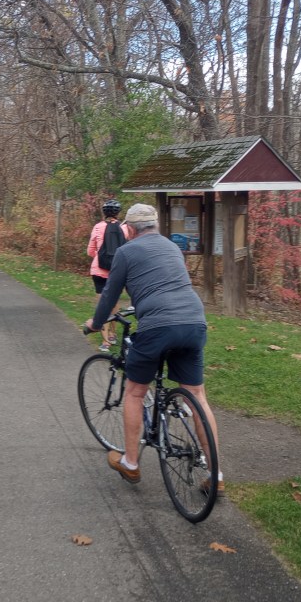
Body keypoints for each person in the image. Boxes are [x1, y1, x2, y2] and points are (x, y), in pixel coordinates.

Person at [84, 203, 223, 492]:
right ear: (156, 226)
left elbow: (109, 294)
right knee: (197, 396)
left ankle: (131, 463)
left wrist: (96, 324)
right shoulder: (172, 247)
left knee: (135, 392)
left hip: (158, 325)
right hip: (194, 321)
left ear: (130, 229)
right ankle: (216, 476)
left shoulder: (126, 252)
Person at [86, 199, 132, 352]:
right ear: (118, 213)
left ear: (104, 213)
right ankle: (112, 334)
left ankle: (105, 342)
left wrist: (100, 257)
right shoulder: (125, 229)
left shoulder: (98, 227)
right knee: (114, 302)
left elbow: (90, 251)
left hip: (99, 271)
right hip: (117, 271)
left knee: (103, 304)